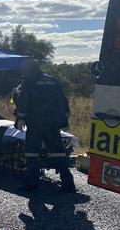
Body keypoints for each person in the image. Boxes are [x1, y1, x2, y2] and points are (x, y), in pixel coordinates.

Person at [14, 59, 75, 193]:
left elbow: (23, 101)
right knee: (58, 152)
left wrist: (20, 118)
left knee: (32, 153)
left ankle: (32, 183)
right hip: (53, 123)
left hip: (36, 122)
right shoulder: (52, 80)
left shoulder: (28, 81)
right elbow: (62, 100)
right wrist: (64, 120)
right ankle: (68, 183)